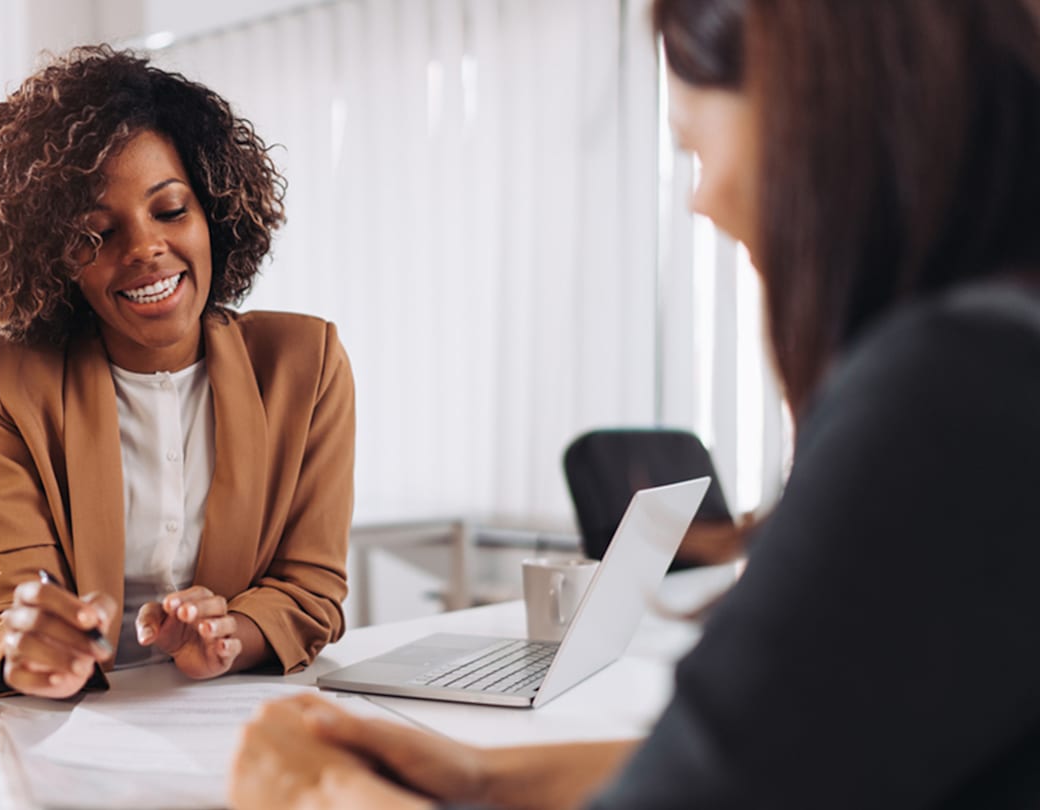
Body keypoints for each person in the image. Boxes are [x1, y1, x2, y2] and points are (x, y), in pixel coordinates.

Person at [230, 0, 1040, 806]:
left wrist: (313, 793)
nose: (703, 199)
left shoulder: (949, 391)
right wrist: (481, 775)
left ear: (819, 117)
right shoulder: (999, 356)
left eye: (694, 146)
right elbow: (765, 765)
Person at [0, 46, 354, 698]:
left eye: (171, 210)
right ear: (54, 259)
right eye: (96, 234)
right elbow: (8, 595)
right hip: (66, 734)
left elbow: (310, 588)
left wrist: (231, 638)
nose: (145, 249)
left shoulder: (305, 363)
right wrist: (34, 642)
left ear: (213, 211)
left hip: (230, 719)